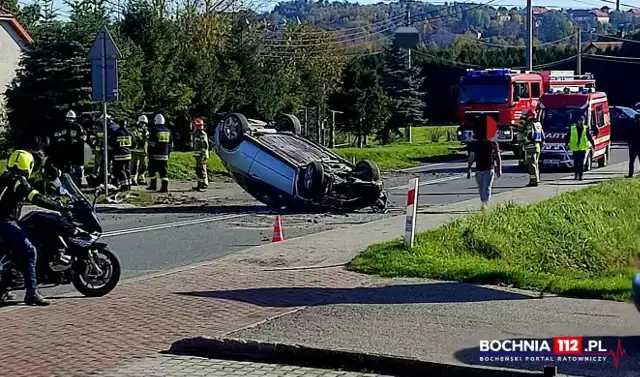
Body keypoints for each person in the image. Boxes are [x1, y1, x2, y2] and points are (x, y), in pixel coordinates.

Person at [0, 150, 69, 306]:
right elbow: (34, 196)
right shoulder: (19, 181)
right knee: (29, 251)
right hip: (4, 222)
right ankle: (32, 292)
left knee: (10, 253)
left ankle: (3, 288)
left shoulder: (4, 177)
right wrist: (57, 205)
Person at [467, 115, 502, 211]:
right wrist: (469, 168)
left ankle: (485, 204)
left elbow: (498, 157)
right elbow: (472, 157)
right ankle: (483, 201)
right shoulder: (476, 144)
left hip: (489, 169)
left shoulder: (493, 144)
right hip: (478, 170)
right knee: (481, 188)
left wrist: (499, 169)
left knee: (487, 187)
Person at [147, 114, 172, 193]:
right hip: (165, 155)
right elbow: (171, 144)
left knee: (152, 170)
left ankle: (153, 185)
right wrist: (168, 153)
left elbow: (151, 143)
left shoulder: (155, 130)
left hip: (155, 155)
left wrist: (149, 152)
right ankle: (164, 187)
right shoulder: (168, 130)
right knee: (164, 172)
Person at [566, 116, 595, 181]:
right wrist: (566, 144)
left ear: (584, 121)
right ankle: (576, 175)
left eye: (582, 120)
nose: (581, 122)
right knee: (576, 163)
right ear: (577, 121)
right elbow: (568, 136)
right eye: (580, 120)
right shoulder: (573, 128)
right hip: (575, 148)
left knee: (581, 163)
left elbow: (589, 137)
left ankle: (580, 176)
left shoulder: (586, 128)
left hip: (582, 148)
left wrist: (593, 145)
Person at [522, 110, 545, 187]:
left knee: (531, 164)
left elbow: (530, 136)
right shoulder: (538, 124)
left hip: (531, 146)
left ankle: (533, 181)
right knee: (536, 164)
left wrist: (525, 141)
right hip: (537, 146)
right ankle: (537, 179)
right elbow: (543, 136)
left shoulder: (530, 125)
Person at [111, 121, 133, 192]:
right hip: (128, 155)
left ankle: (124, 186)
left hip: (119, 155)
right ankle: (129, 186)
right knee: (127, 170)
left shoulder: (116, 133)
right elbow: (134, 142)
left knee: (119, 170)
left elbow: (112, 143)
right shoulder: (129, 133)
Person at [191, 117, 209, 191]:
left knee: (202, 170)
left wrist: (203, 155)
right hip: (198, 156)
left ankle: (204, 184)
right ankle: (199, 184)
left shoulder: (202, 134)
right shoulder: (196, 134)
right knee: (198, 170)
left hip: (202, 156)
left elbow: (205, 145)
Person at [131, 115, 149, 186]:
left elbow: (148, 138)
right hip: (136, 151)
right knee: (135, 165)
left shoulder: (146, 131)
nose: (143, 124)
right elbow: (135, 138)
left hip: (144, 152)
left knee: (144, 165)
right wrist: (141, 138)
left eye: (144, 123)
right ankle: (133, 179)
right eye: (142, 123)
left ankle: (141, 178)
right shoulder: (135, 130)